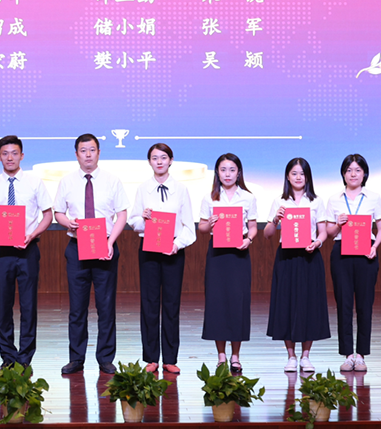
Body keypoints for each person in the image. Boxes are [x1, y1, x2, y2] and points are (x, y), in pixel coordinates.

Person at [54, 133, 129, 375]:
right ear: (76, 154)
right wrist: (68, 222)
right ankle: (76, 358)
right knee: (77, 307)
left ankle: (105, 358)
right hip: (77, 247)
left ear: (99, 152)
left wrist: (110, 242)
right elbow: (58, 212)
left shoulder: (112, 180)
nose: (88, 155)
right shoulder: (67, 181)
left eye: (92, 150)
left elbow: (122, 214)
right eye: (83, 150)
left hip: (105, 246)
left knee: (106, 306)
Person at [0, 135, 53, 368]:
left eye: (14, 153)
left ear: (22, 155)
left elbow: (48, 215)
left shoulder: (34, 182)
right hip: (2, 251)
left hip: (28, 248)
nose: (10, 157)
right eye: (5, 153)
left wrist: (32, 234)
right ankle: (8, 357)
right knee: (4, 305)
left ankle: (25, 357)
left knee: (29, 304)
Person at [128, 143, 196, 374]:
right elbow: (133, 222)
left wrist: (177, 244)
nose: (159, 161)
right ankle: (150, 358)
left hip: (173, 249)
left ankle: (170, 358)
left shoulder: (181, 189)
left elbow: (189, 226)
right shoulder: (143, 188)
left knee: (171, 303)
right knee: (149, 303)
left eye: (163, 157)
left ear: (171, 160)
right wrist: (143, 218)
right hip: (149, 249)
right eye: (155, 158)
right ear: (149, 162)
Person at [264, 157, 330, 373]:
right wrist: (275, 219)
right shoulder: (280, 201)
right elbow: (267, 234)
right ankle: (291, 356)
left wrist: (317, 242)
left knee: (309, 304)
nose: (298, 177)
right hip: (286, 258)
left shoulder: (316, 201)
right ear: (287, 176)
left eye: (302, 173)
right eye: (294, 173)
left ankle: (306, 356)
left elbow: (323, 232)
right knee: (286, 304)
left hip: (310, 256)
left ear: (308, 177)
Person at [325, 155, 381, 373]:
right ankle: (347, 355)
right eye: (349, 170)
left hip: (366, 253)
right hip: (341, 252)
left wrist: (375, 246)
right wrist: (338, 225)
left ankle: (361, 355)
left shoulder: (373, 197)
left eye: (358, 170)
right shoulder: (334, 199)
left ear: (364, 174)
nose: (353, 174)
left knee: (364, 304)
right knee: (343, 304)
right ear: (343, 174)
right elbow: (329, 232)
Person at [197, 153, 257, 374]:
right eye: (223, 170)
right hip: (217, 254)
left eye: (232, 170)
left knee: (237, 303)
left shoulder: (248, 197)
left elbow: (253, 227)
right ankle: (221, 356)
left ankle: (236, 356)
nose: (228, 174)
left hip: (239, 253)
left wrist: (249, 240)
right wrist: (210, 223)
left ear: (238, 172)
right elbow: (202, 228)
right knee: (217, 303)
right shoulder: (210, 198)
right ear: (217, 173)